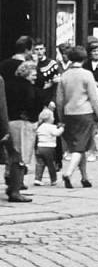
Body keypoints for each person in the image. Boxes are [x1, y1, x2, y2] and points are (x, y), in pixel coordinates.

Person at [55, 46, 98, 188]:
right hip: (85, 113)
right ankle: (68, 172)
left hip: (69, 114)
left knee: (78, 145)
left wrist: (61, 117)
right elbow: (93, 97)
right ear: (84, 58)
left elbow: (59, 100)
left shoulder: (64, 76)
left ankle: (84, 177)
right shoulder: (87, 74)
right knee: (80, 147)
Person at [6, 60, 46, 190]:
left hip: (11, 121)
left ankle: (12, 179)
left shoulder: (9, 85)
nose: (35, 77)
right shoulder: (28, 87)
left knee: (13, 153)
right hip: (24, 122)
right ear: (26, 74)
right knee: (22, 155)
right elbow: (32, 103)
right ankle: (16, 187)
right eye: (33, 75)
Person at [1, 66, 30, 202]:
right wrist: (5, 129)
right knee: (16, 156)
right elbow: (2, 107)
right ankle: (14, 191)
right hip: (16, 122)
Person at [34, 107, 63, 186]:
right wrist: (61, 128)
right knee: (51, 164)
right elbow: (57, 133)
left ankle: (37, 179)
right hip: (49, 148)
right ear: (50, 118)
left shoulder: (40, 126)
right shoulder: (51, 127)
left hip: (39, 147)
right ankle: (53, 180)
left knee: (40, 164)